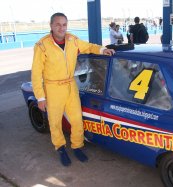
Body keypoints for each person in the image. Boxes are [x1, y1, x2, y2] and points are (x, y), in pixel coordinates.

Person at [32, 12, 115, 167]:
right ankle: (60, 147)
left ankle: (77, 146)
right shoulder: (41, 46)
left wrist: (102, 50)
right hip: (52, 88)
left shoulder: (72, 40)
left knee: (77, 119)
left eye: (64, 24)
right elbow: (36, 74)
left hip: (70, 85)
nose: (61, 28)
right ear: (51, 26)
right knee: (55, 122)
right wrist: (40, 97)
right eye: (57, 24)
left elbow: (88, 46)